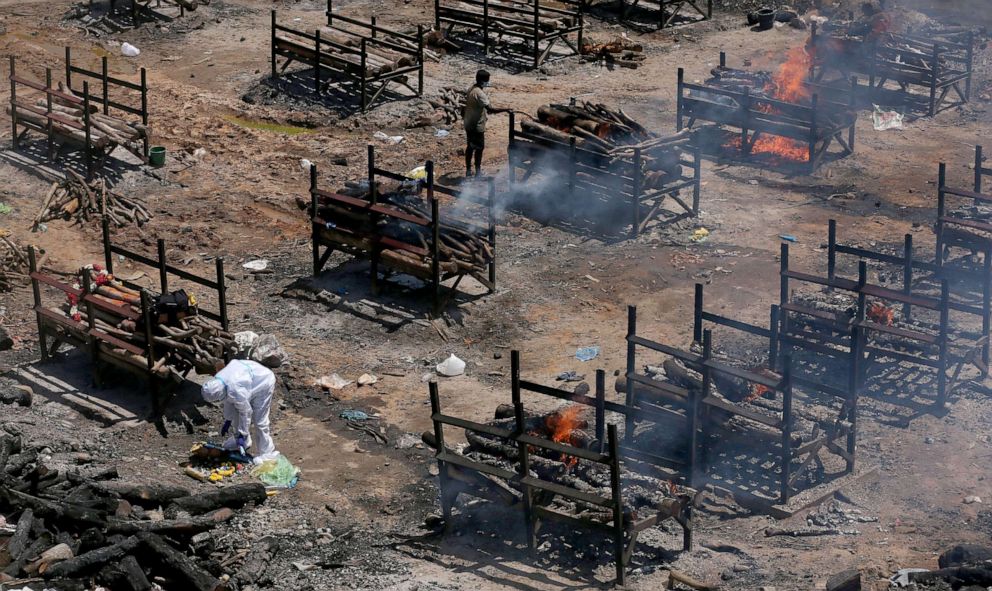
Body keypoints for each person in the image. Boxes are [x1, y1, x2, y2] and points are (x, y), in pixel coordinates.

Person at [201, 359, 277, 461]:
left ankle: (267, 452)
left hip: (263, 382)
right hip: (248, 380)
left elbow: (246, 412)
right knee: (235, 410)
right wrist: (228, 419)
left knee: (260, 421)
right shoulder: (219, 382)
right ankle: (242, 442)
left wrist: (243, 433)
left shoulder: (235, 389)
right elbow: (228, 401)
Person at [464, 69, 510, 177]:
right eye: (487, 80)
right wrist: (506, 109)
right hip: (477, 126)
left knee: (470, 146)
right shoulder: (480, 94)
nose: (488, 82)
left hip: (468, 123)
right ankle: (478, 172)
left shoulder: (471, 88)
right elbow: (491, 109)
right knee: (479, 148)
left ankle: (468, 170)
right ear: (483, 81)